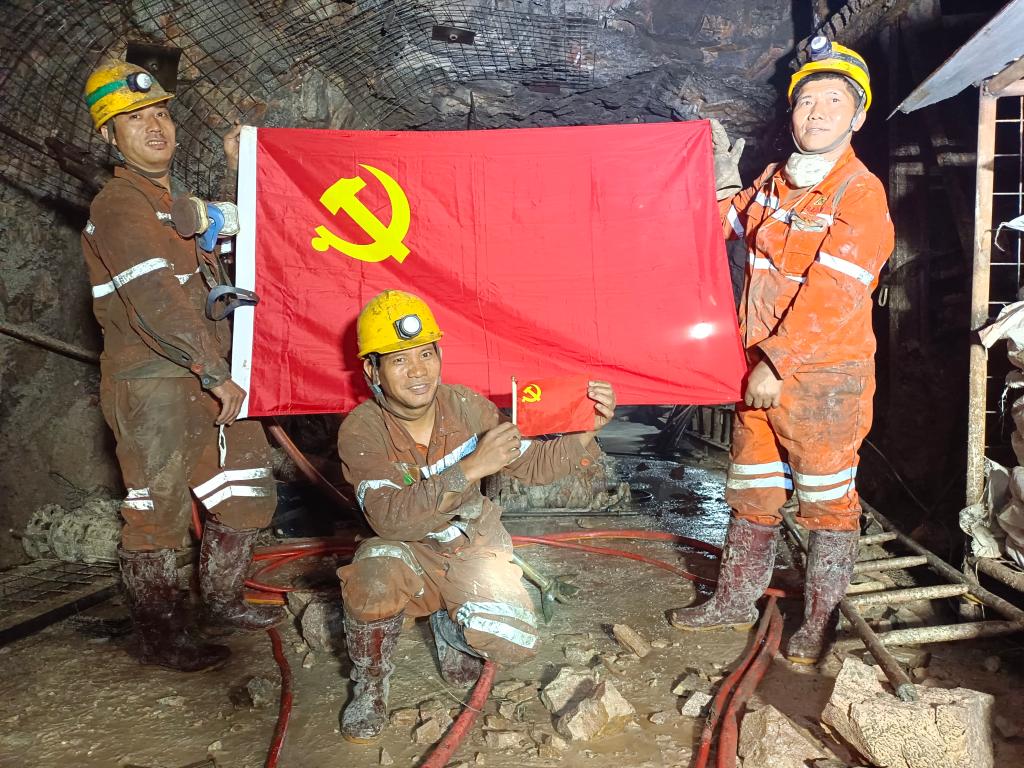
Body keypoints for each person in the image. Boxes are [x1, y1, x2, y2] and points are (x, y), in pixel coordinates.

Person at [669, 37, 895, 665]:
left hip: (824, 378)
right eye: (807, 101)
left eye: (834, 102)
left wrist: (775, 361)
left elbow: (834, 293)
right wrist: (716, 177)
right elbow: (726, 225)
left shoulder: (860, 194)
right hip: (759, 371)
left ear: (857, 117)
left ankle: (819, 623)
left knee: (826, 502)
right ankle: (734, 601)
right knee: (753, 490)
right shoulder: (775, 182)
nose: (817, 113)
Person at [335, 290, 616, 743]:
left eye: (426, 354)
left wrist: (587, 430)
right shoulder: (363, 429)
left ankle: (450, 623)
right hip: (409, 552)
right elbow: (388, 519)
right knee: (373, 576)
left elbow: (533, 464)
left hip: (471, 551)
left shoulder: (467, 407)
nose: (418, 371)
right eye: (399, 360)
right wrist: (469, 468)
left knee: (514, 642)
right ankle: (369, 687)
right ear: (373, 370)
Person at [81, 60, 282, 672]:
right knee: (156, 512)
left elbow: (241, 235)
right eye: (134, 120)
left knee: (247, 490)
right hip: (154, 381)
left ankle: (221, 601)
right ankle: (163, 636)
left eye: (161, 114)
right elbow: (156, 300)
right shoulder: (119, 206)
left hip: (208, 371)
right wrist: (212, 370)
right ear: (109, 136)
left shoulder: (175, 204)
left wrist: (238, 169)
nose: (155, 128)